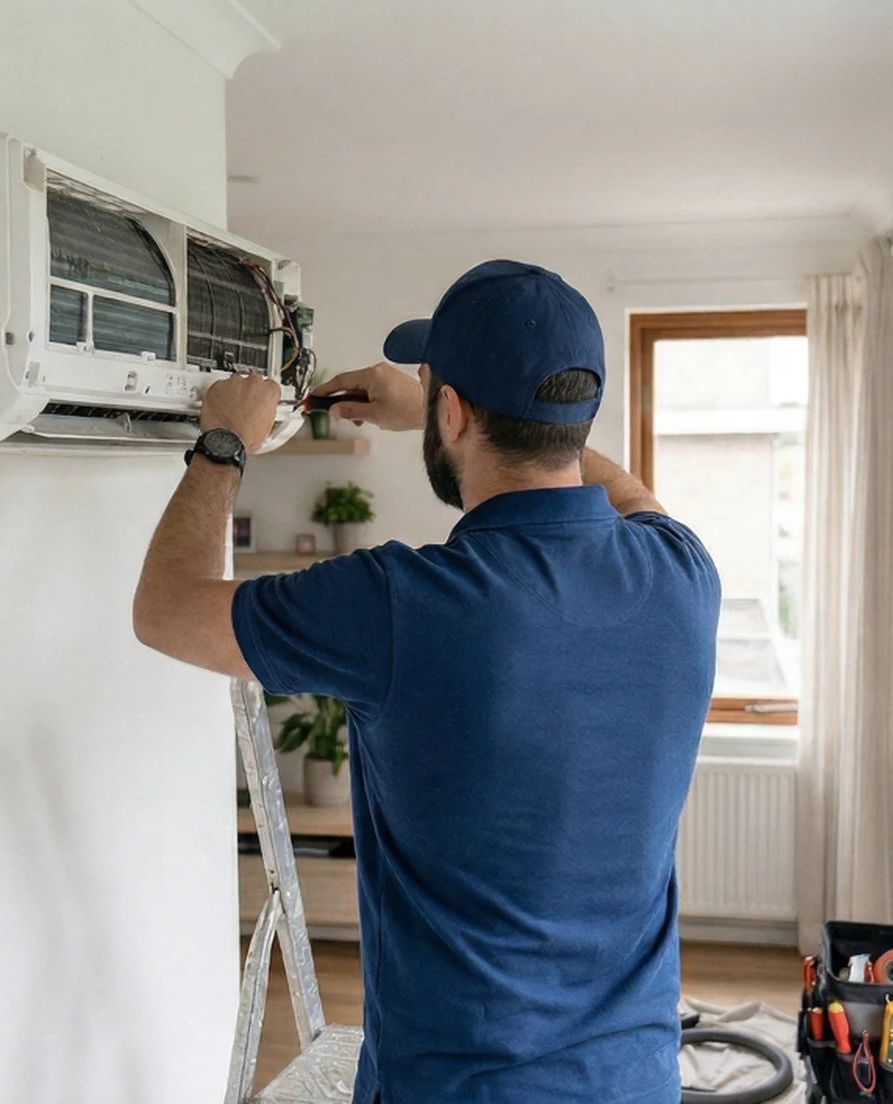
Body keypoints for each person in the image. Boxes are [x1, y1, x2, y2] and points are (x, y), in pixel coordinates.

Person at [132, 260, 720, 1104]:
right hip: (632, 1080)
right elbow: (627, 490)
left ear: (452, 410)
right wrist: (458, 411)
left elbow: (165, 608)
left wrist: (224, 442)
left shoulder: (401, 603)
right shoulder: (683, 576)